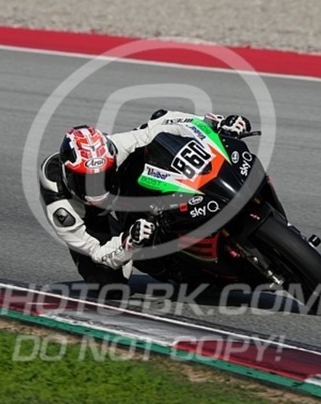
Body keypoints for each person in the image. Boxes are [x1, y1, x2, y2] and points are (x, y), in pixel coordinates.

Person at [38, 109, 251, 296]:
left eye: (103, 176)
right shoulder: (60, 207)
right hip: (91, 220)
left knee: (154, 151)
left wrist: (214, 123)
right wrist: (128, 242)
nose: (96, 188)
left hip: (124, 194)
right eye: (86, 181)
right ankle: (174, 268)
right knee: (110, 286)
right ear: (67, 174)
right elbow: (97, 253)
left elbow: (162, 121)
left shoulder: (118, 147)